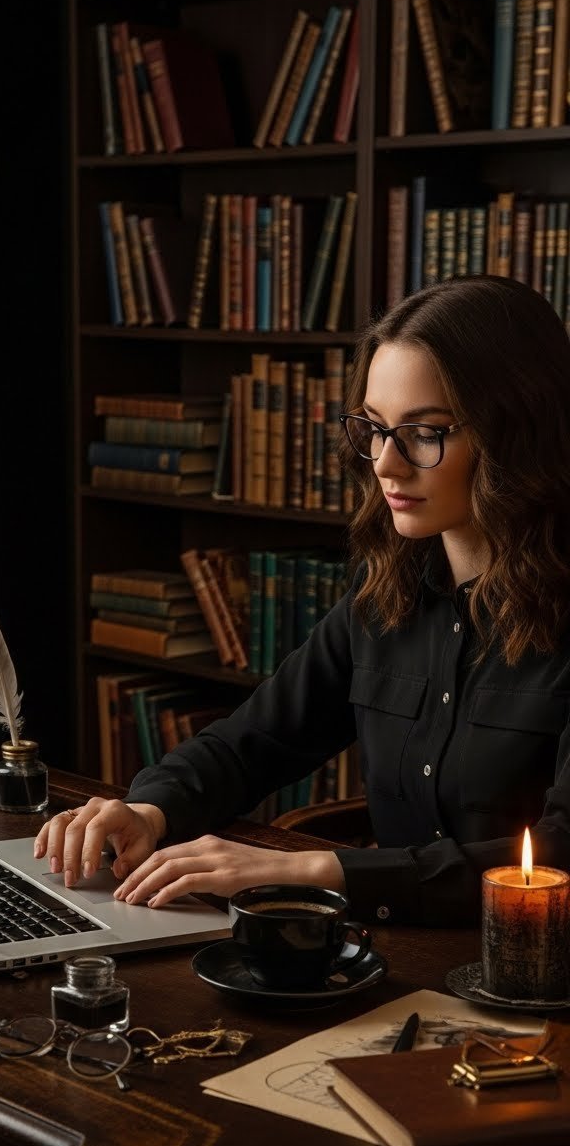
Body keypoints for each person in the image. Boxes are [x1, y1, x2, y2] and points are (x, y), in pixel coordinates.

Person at [35, 275, 570, 927]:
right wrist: (152, 809)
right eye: (373, 428)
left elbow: (560, 854)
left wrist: (313, 870)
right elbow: (252, 740)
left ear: (515, 434)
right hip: (397, 957)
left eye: (424, 434)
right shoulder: (385, 596)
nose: (385, 464)